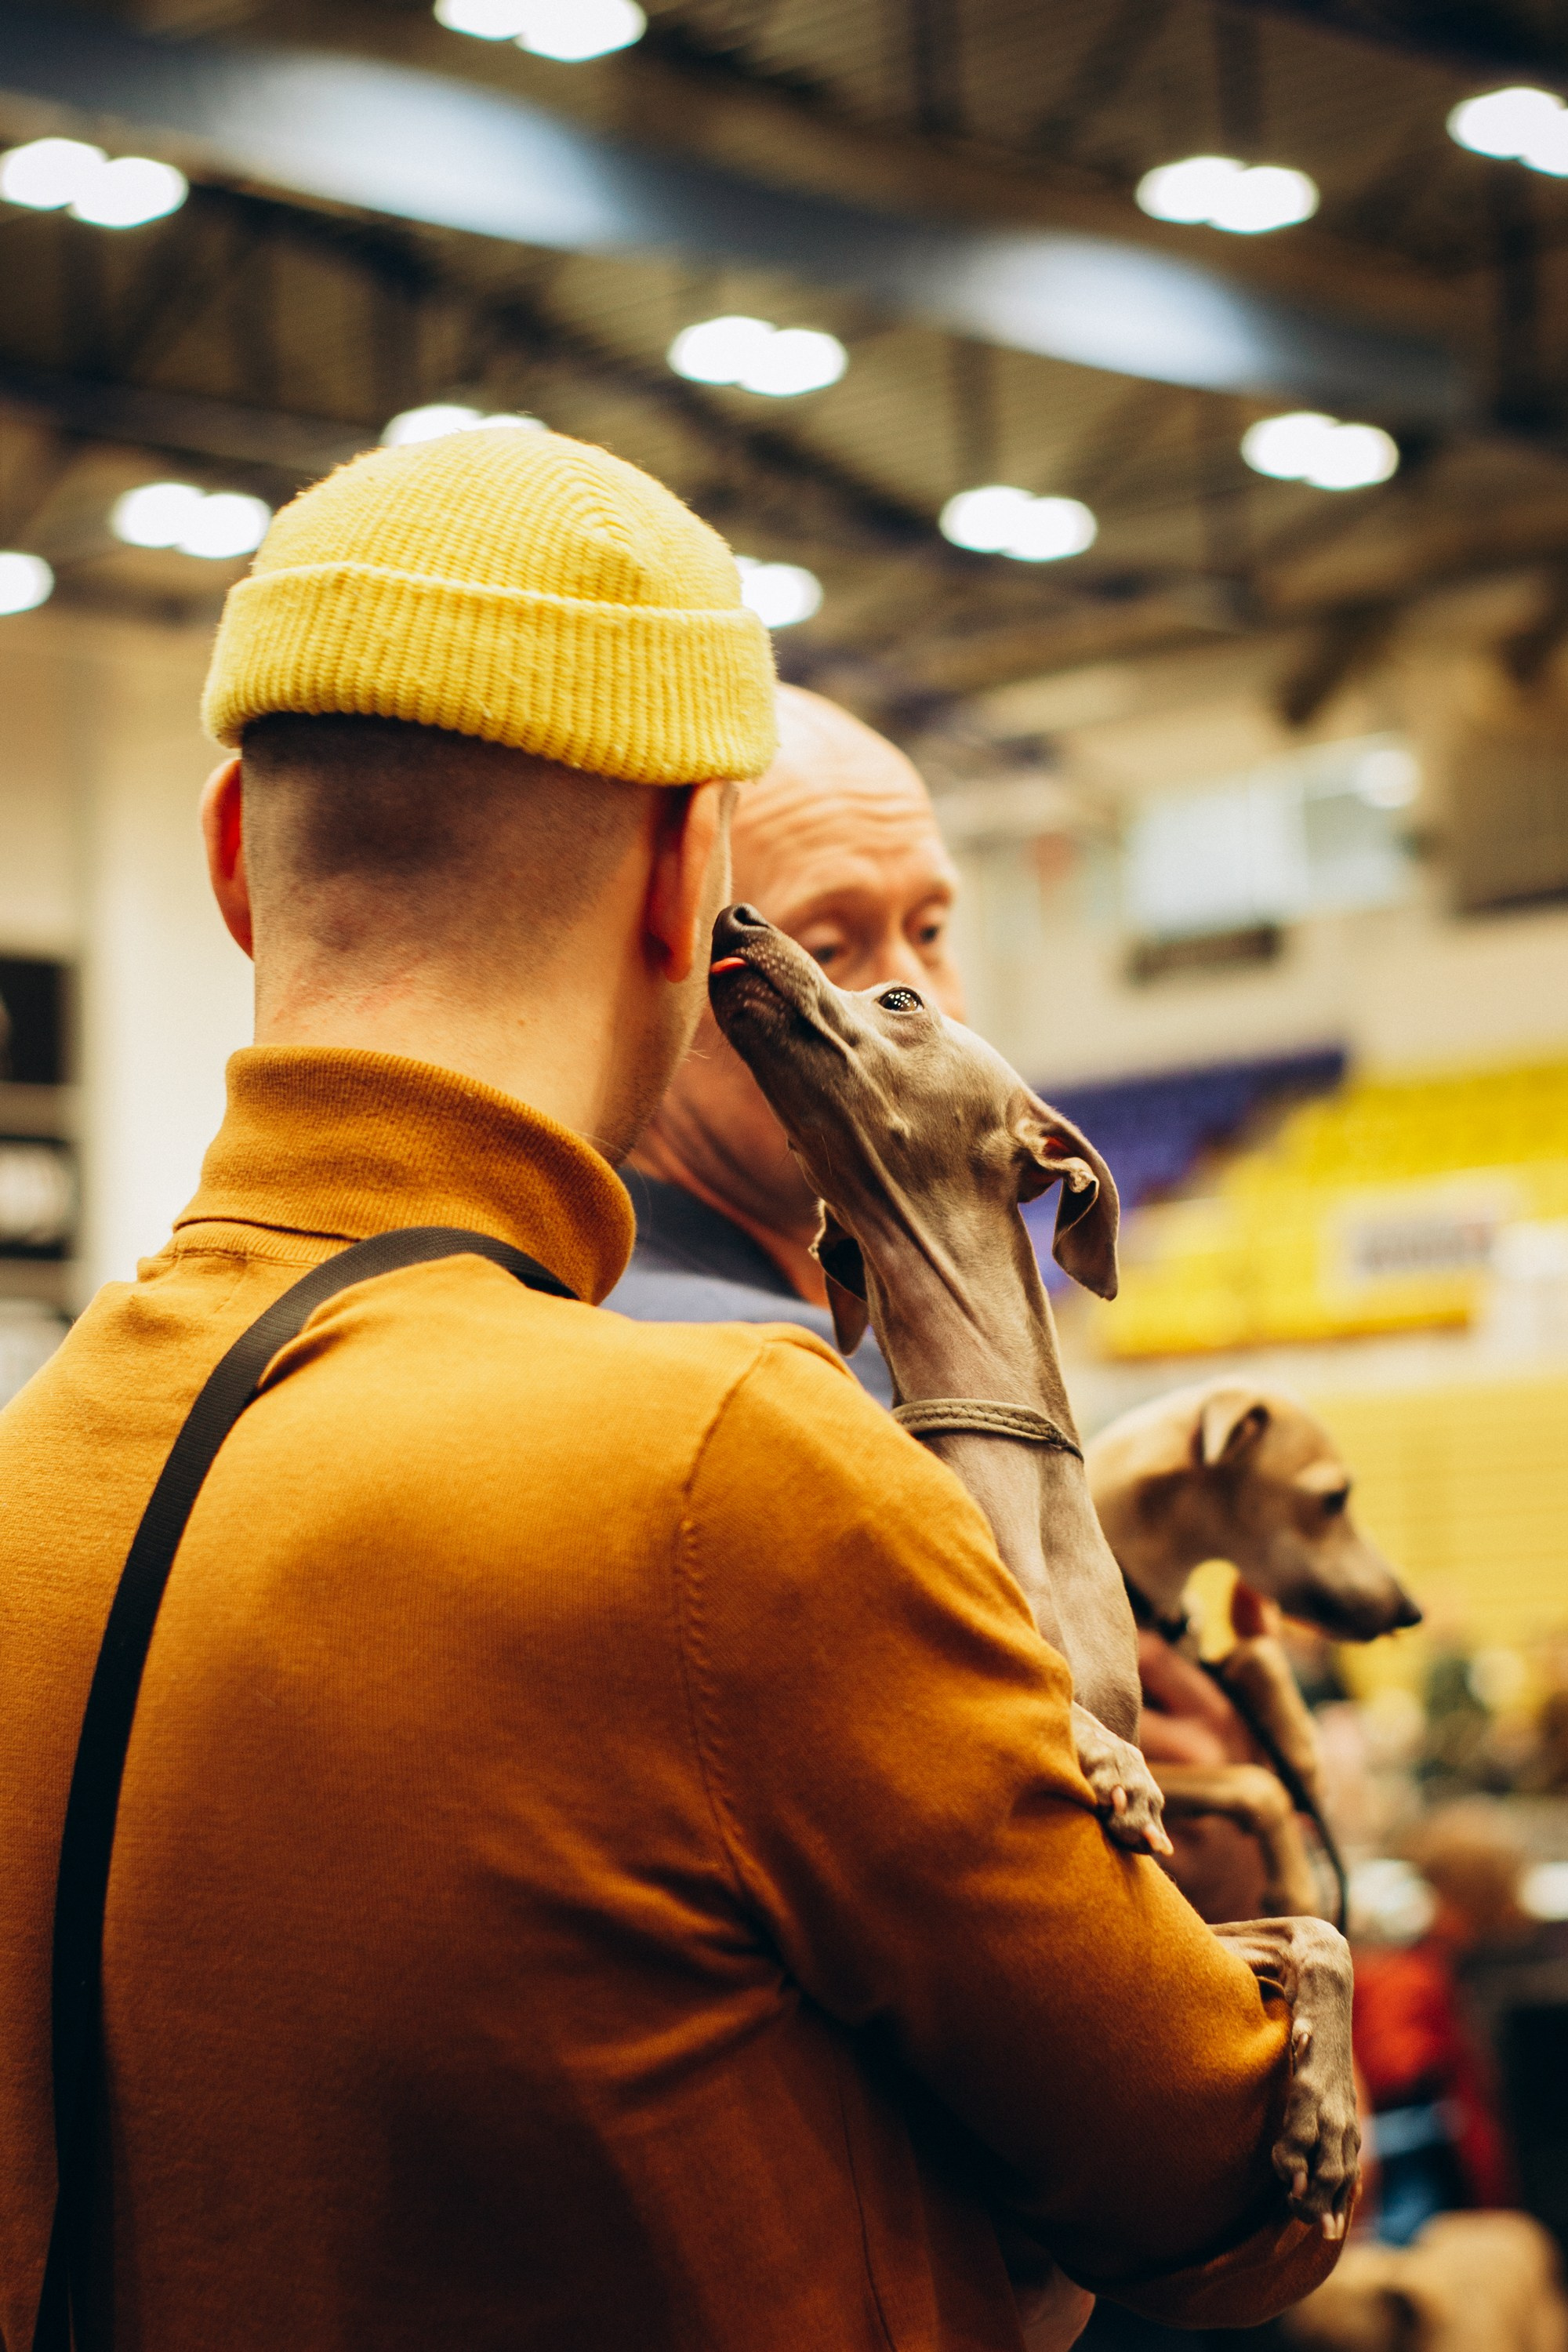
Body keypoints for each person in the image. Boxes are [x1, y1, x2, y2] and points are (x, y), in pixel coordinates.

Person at [0, 425, 1341, 2352]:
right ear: (684, 886)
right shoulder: (721, 1465)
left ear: (230, 857)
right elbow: (1214, 2176)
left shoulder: (34, 1467)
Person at [609, 681, 964, 1400]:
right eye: (828, 952)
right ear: (661, 975)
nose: (916, 1004)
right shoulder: (798, 1382)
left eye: (927, 932)